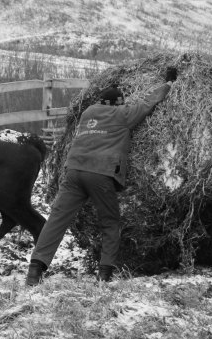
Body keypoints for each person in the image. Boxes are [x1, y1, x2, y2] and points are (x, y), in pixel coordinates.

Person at [25, 66, 178, 286]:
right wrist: (168, 84)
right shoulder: (122, 114)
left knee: (57, 219)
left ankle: (34, 270)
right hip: (100, 173)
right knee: (110, 222)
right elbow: (148, 103)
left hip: (74, 171)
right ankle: (105, 274)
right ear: (117, 103)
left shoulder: (87, 114)